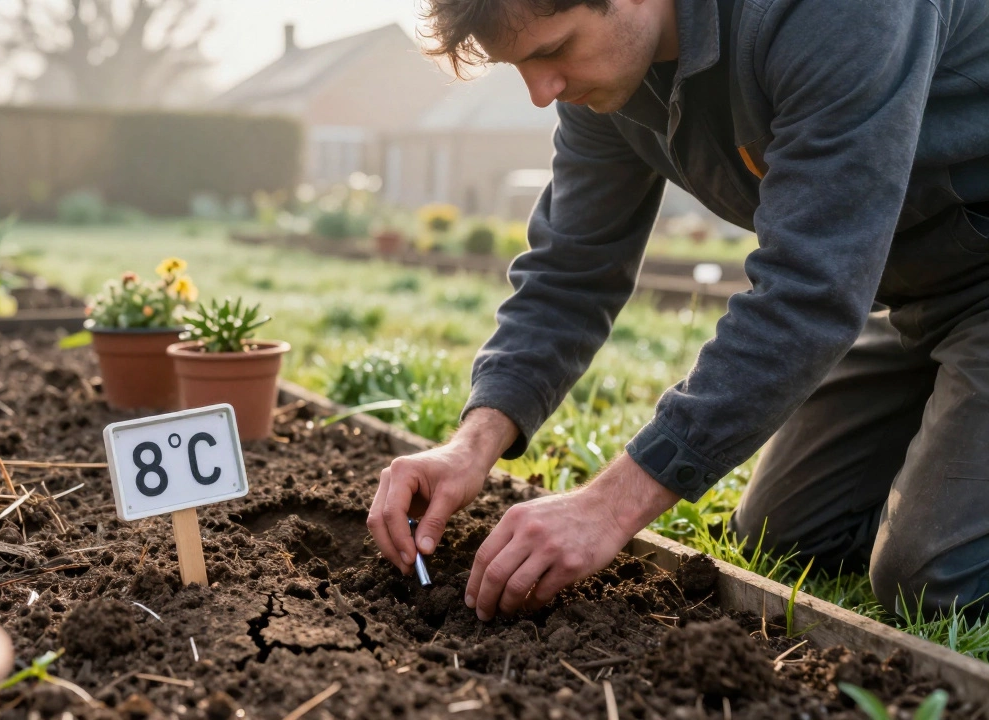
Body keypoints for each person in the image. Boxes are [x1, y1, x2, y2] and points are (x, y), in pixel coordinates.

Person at [367, 0, 989, 623]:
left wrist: (609, 507)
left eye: (551, 50)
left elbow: (809, 287)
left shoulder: (837, 13)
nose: (540, 91)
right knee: (788, 541)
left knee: (936, 580)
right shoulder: (607, 83)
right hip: (918, 299)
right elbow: (571, 269)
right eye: (520, 66)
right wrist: (471, 445)